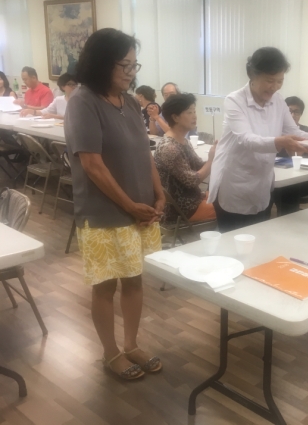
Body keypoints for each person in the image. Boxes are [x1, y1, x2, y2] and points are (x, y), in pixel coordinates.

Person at [64, 28, 165, 381]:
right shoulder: (83, 102)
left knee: (134, 280)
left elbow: (144, 153)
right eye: (124, 65)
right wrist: (130, 205)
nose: (131, 72)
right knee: (105, 286)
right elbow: (92, 164)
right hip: (104, 214)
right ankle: (110, 353)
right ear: (101, 63)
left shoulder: (131, 102)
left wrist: (158, 194)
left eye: (134, 65)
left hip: (139, 210)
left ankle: (132, 344)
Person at [207, 47, 308, 232]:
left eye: (279, 81)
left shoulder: (278, 101)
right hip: (234, 180)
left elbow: (293, 131)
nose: (274, 87)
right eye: (269, 80)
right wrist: (280, 142)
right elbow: (247, 139)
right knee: (232, 238)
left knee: (259, 235)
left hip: (261, 182)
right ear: (252, 75)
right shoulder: (235, 100)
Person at [154, 93, 217, 224]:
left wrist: (217, 155)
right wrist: (211, 160)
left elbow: (199, 165)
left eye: (194, 111)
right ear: (175, 117)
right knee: (229, 207)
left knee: (227, 197)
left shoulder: (182, 141)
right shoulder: (169, 148)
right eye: (189, 112)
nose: (195, 116)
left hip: (193, 199)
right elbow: (193, 181)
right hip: (182, 209)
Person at [272, 96, 308, 216]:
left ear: (301, 115)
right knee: (267, 185)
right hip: (279, 176)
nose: (292, 115)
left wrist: (295, 153)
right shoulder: (275, 132)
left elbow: (306, 158)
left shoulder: (305, 131)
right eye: (289, 111)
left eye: (296, 112)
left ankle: (286, 218)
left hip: (305, 179)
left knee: (287, 188)